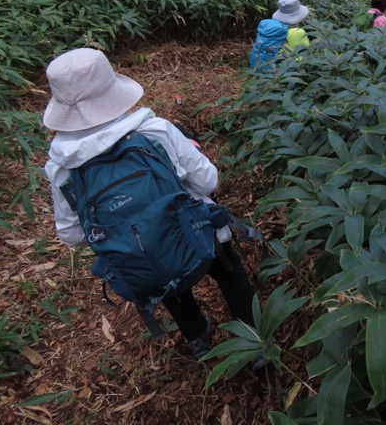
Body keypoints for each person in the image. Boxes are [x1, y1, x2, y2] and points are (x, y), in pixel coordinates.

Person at [43, 48, 257, 360]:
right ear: (112, 90)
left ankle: (198, 336)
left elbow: (72, 235)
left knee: (162, 274)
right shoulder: (154, 131)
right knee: (228, 268)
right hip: (197, 235)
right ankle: (254, 338)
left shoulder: (61, 167)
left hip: (140, 260)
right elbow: (208, 182)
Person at [249, 0, 311, 69]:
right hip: (288, 69)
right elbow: (307, 51)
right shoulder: (298, 31)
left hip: (260, 66)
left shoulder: (269, 27)